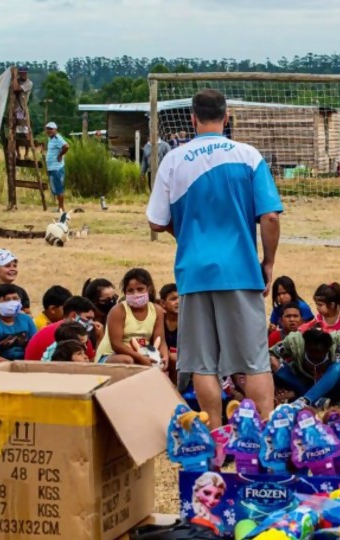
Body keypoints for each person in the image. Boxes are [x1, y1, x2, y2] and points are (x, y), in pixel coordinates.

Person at [147, 89, 282, 427]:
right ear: (227, 116)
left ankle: (214, 434)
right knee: (254, 361)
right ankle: (263, 432)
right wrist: (268, 261)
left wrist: (188, 232)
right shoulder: (249, 156)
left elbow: (156, 220)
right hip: (240, 270)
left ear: (192, 118)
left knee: (203, 363)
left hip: (194, 274)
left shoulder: (173, 160)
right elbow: (271, 218)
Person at [95, 268, 166, 366]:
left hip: (144, 353)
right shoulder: (118, 311)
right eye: (130, 291)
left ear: (148, 289)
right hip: (111, 356)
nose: (135, 294)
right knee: (128, 360)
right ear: (125, 292)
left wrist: (164, 356)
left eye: (140, 289)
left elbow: (160, 341)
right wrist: (140, 357)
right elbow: (116, 344)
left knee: (170, 360)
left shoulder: (157, 311)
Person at [271, 327, 340, 409]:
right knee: (273, 362)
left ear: (327, 351)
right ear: (305, 349)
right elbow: (269, 355)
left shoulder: (338, 347)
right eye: (311, 357)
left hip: (331, 391)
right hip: (300, 384)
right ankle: (316, 401)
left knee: (338, 367)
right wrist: (273, 385)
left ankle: (303, 401)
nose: (314, 362)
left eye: (318, 359)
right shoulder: (294, 342)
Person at [24, 296, 98, 361]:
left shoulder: (47, 329)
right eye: (88, 318)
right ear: (73, 315)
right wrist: (99, 338)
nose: (91, 322)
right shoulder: (77, 336)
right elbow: (91, 364)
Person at [44, 121, 70, 213]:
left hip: (57, 167)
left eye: (51, 129)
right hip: (51, 167)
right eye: (47, 129)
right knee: (55, 187)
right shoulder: (50, 139)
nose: (49, 131)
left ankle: (61, 208)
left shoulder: (57, 138)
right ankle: (59, 207)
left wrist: (60, 155)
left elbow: (66, 146)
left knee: (59, 188)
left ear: (55, 130)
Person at [159, 283, 179, 383]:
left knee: (173, 358)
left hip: (182, 358)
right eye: (173, 299)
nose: (178, 302)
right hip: (162, 355)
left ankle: (176, 389)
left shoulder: (189, 320)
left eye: (181, 298)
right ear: (162, 303)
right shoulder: (159, 320)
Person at [13, 66, 34, 159]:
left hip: (22, 109)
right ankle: (17, 153)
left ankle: (26, 154)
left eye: (24, 73)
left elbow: (16, 88)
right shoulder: (17, 80)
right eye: (21, 73)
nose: (23, 74)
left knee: (26, 131)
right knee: (14, 132)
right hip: (14, 110)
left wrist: (14, 77)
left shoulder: (28, 83)